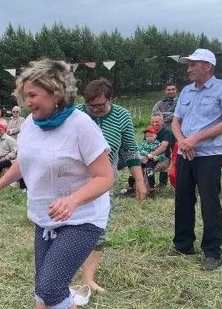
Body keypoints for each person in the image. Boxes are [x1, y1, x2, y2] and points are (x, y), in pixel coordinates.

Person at [0, 60, 113, 309]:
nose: (27, 102)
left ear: (56, 93)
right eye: (24, 95)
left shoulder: (81, 125)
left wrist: (73, 200)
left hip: (81, 219)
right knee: (44, 290)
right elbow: (24, 161)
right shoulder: (31, 123)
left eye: (33, 95)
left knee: (50, 287)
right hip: (45, 218)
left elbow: (105, 177)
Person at [77, 78, 147, 292]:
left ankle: (88, 278)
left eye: (100, 105)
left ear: (110, 99)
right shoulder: (77, 114)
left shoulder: (122, 116)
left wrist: (140, 180)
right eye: (91, 105)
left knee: (99, 228)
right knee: (73, 226)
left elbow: (130, 151)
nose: (96, 110)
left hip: (105, 183)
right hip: (76, 181)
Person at [171, 48, 222, 270]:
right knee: (183, 199)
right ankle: (183, 245)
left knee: (209, 202)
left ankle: (213, 252)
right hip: (185, 154)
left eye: (193, 64)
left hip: (209, 156)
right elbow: (175, 122)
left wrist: (194, 139)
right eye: (188, 64)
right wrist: (184, 142)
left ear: (208, 67)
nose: (189, 68)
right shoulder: (186, 91)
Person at [135, 126, 166, 190]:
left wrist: (156, 157)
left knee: (149, 170)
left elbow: (163, 155)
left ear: (155, 136)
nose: (149, 138)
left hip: (151, 160)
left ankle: (151, 187)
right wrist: (147, 154)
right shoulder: (143, 143)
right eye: (147, 136)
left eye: (151, 136)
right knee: (136, 168)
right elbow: (139, 149)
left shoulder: (158, 144)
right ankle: (132, 185)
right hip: (143, 159)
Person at [149, 113, 174, 186]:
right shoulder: (149, 131)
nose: (154, 124)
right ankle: (161, 184)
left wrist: (151, 154)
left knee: (148, 170)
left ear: (162, 121)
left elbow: (163, 147)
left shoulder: (166, 132)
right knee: (140, 167)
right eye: (153, 122)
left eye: (157, 122)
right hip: (151, 157)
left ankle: (148, 188)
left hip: (164, 158)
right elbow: (144, 145)